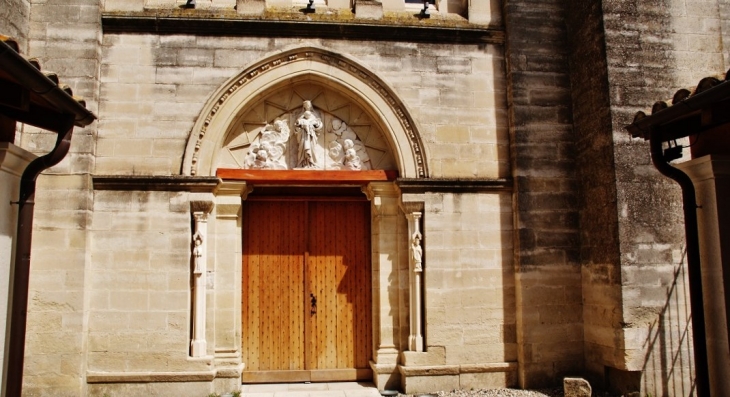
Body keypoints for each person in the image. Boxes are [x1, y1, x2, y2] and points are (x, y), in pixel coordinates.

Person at [294, 100, 323, 168]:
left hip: (312, 136)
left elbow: (319, 124)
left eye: (308, 105)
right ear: (304, 106)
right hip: (303, 136)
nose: (307, 106)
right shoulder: (301, 116)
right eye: (306, 105)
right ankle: (302, 162)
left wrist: (314, 125)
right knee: (302, 149)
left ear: (310, 105)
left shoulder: (315, 115)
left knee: (312, 148)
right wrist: (301, 126)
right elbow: (296, 125)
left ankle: (312, 162)